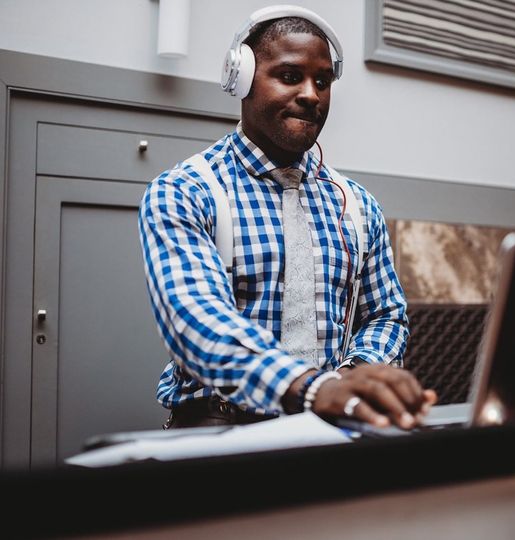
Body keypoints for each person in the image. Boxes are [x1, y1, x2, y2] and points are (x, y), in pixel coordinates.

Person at [138, 5, 436, 432]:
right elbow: (198, 323)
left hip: (329, 427)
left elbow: (385, 315)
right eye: (290, 76)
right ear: (242, 78)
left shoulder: (358, 205)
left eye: (323, 82)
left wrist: (351, 379)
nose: (311, 94)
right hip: (220, 431)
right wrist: (311, 388)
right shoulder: (185, 191)